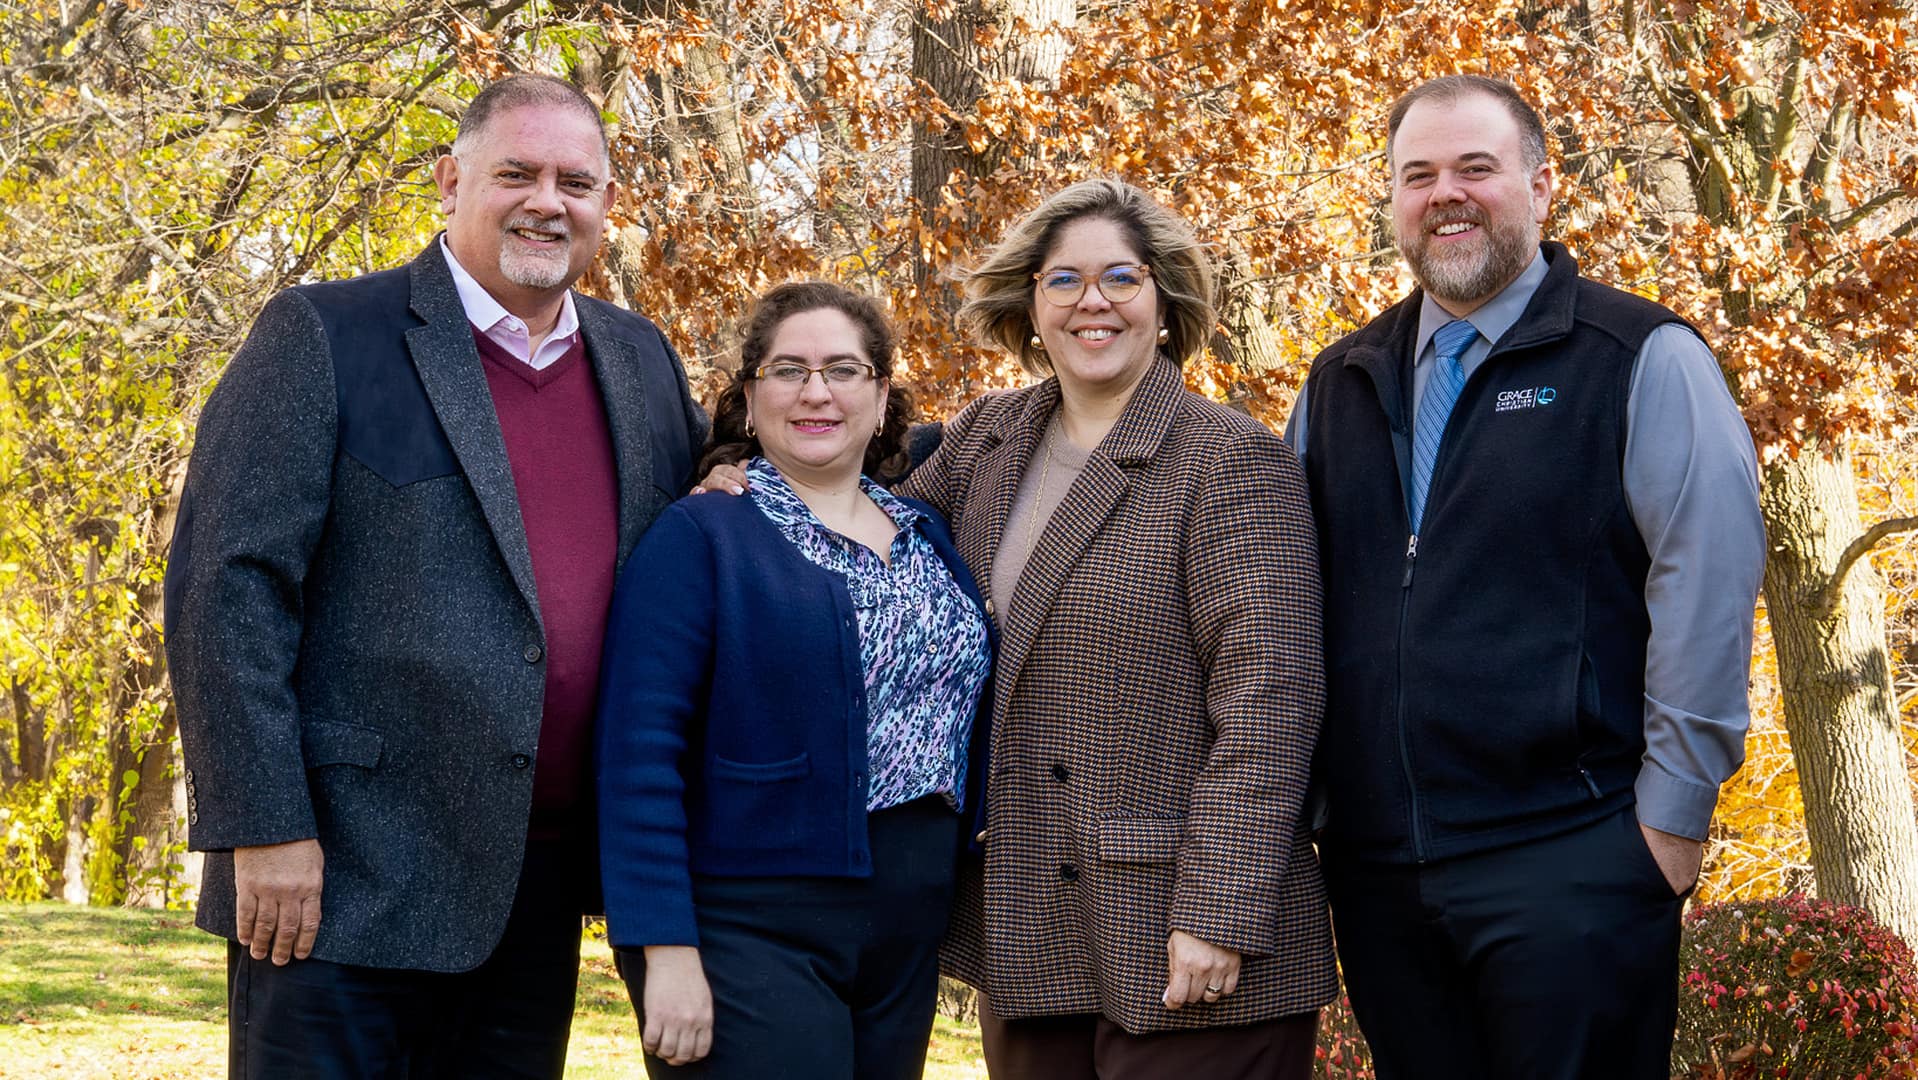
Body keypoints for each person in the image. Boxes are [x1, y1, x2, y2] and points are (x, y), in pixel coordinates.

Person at [703, 179, 1335, 1076]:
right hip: (1033, 925)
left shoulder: (1230, 461)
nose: (1093, 301)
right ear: (1030, 304)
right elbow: (850, 532)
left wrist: (1220, 911)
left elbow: (1271, 703)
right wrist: (738, 487)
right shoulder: (987, 439)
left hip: (1180, 926)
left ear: (1166, 300)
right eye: (1063, 279)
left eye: (1121, 276)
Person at [165, 74, 707, 1079]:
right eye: (518, 173)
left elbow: (740, 505)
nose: (549, 201)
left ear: (604, 207)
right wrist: (265, 826)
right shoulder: (325, 335)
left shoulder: (641, 364)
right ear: (452, 181)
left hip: (532, 891)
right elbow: (225, 586)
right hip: (340, 882)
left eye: (576, 182)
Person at [1288, 75, 1765, 1079]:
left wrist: (1666, 830)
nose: (1444, 195)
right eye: (1417, 175)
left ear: (1542, 187)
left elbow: (1705, 587)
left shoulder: (1640, 356)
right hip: (1382, 874)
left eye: (1475, 168)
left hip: (1573, 855)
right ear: (1391, 201)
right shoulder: (1339, 382)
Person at [596, 281, 993, 1078]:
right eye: (788, 370)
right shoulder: (703, 534)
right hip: (750, 927)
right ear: (750, 397)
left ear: (882, 397)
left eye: (843, 370)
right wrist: (662, 948)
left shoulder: (928, 535)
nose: (816, 392)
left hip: (904, 932)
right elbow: (638, 754)